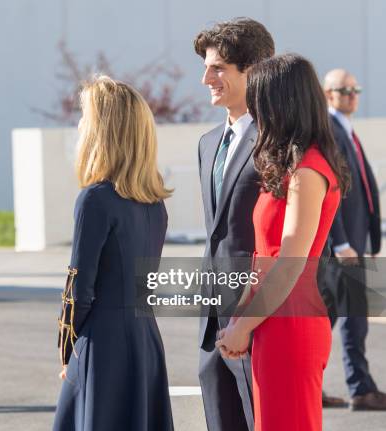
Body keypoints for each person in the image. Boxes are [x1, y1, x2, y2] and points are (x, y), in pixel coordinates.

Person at [216, 54, 350, 431]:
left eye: (258, 99)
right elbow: (265, 256)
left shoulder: (308, 170)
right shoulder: (292, 166)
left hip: (290, 322)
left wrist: (242, 326)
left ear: (280, 102)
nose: (254, 110)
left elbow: (290, 262)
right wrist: (241, 319)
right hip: (272, 318)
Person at [52, 76, 174, 431]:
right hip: (144, 338)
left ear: (102, 130)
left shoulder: (95, 199)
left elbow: (79, 288)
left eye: (85, 118)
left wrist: (68, 353)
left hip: (103, 342)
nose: (79, 125)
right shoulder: (155, 204)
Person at [194, 17, 274, 431]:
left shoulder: (276, 140)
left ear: (253, 71)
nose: (206, 77)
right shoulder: (208, 143)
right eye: (207, 67)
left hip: (257, 317)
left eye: (219, 67)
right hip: (212, 319)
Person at [322, 68, 386, 410]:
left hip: (355, 243)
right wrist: (341, 242)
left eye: (355, 89)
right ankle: (361, 388)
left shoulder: (346, 130)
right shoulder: (329, 130)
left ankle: (313, 385)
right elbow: (329, 188)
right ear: (328, 93)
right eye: (345, 90)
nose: (352, 95)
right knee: (353, 317)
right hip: (343, 246)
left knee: (328, 317)